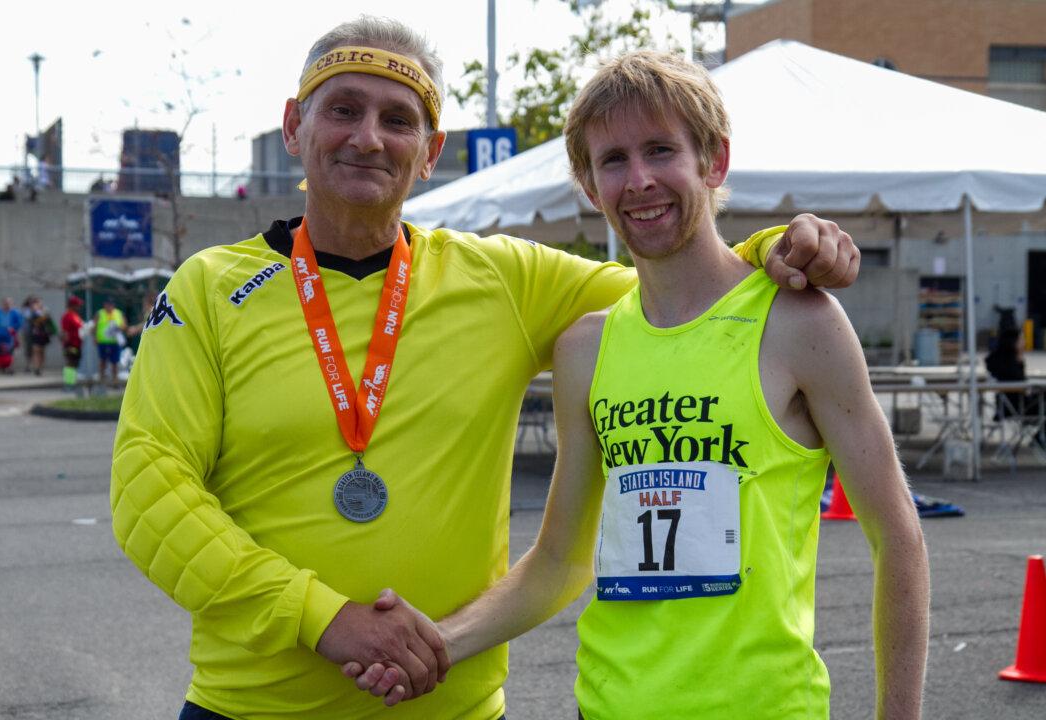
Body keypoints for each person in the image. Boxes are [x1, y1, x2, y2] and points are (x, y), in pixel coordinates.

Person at [110, 17, 862, 720]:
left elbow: (687, 286)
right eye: (343, 109)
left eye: (399, 120)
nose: (368, 138)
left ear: (430, 151)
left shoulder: (503, 277)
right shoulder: (207, 288)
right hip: (252, 708)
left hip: (454, 708)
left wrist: (779, 251)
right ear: (293, 128)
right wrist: (320, 617)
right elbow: (151, 493)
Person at [352, 50, 930, 717]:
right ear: (590, 187)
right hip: (608, 705)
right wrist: (437, 644)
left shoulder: (800, 323)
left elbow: (898, 535)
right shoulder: (586, 350)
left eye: (661, 151)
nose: (640, 181)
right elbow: (558, 562)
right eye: (614, 161)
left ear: (713, 162)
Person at [985, 328, 1044, 446]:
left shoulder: (1000, 360)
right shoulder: (1010, 364)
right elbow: (1022, 386)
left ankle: (1039, 437)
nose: (1024, 342)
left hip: (1011, 405)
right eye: (1021, 339)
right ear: (1013, 343)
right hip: (1018, 407)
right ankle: (1039, 438)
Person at [95, 297, 127, 386]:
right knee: (103, 361)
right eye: (107, 304)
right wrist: (95, 337)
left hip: (114, 342)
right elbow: (95, 326)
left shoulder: (119, 313)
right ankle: (101, 380)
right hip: (103, 342)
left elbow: (124, 326)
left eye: (111, 305)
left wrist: (118, 328)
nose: (109, 306)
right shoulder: (100, 313)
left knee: (115, 362)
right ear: (104, 305)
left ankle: (115, 380)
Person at [26, 297, 57, 375]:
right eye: (35, 303)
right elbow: (31, 322)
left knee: (42, 351)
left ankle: (40, 367)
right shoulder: (31, 312)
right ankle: (36, 368)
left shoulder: (45, 312)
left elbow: (49, 322)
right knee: (36, 350)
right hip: (35, 335)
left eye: (38, 303)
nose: (37, 305)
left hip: (43, 334)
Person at [60, 295, 86, 390]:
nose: (79, 307)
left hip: (77, 343)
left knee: (74, 363)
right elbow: (64, 332)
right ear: (72, 305)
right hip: (71, 344)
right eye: (77, 305)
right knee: (71, 363)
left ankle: (71, 382)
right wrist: (67, 346)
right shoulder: (67, 316)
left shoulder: (75, 316)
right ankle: (69, 383)